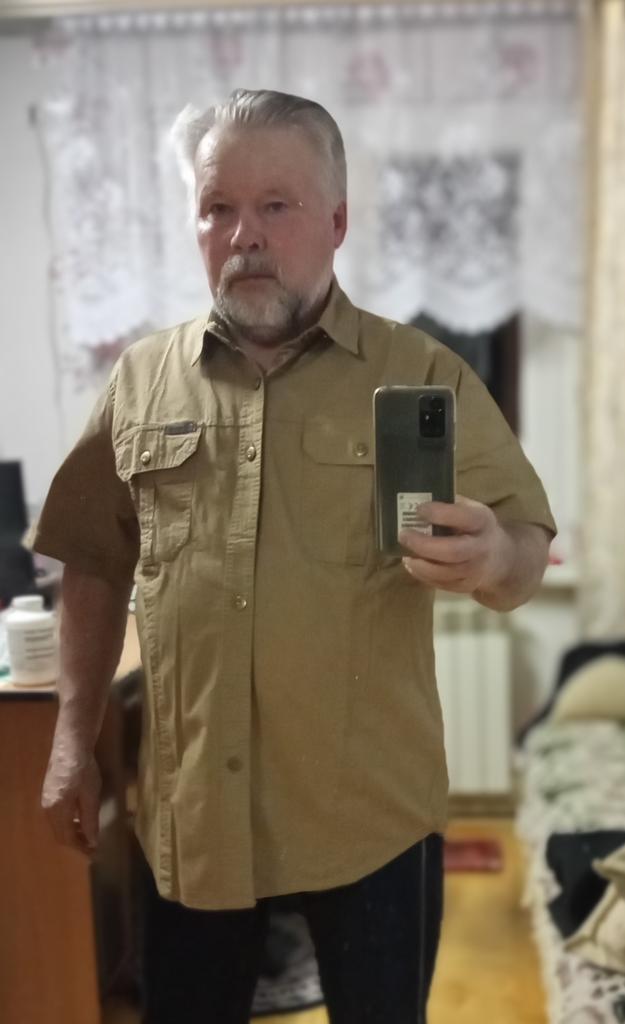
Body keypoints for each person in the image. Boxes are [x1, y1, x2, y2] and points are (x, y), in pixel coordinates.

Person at [32, 89, 556, 1024]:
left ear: (337, 222)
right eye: (217, 208)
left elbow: (523, 549)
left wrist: (489, 557)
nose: (244, 235)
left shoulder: (421, 371)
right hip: (193, 816)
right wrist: (75, 738)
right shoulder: (141, 381)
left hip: (369, 819)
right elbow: (91, 560)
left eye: (276, 205)